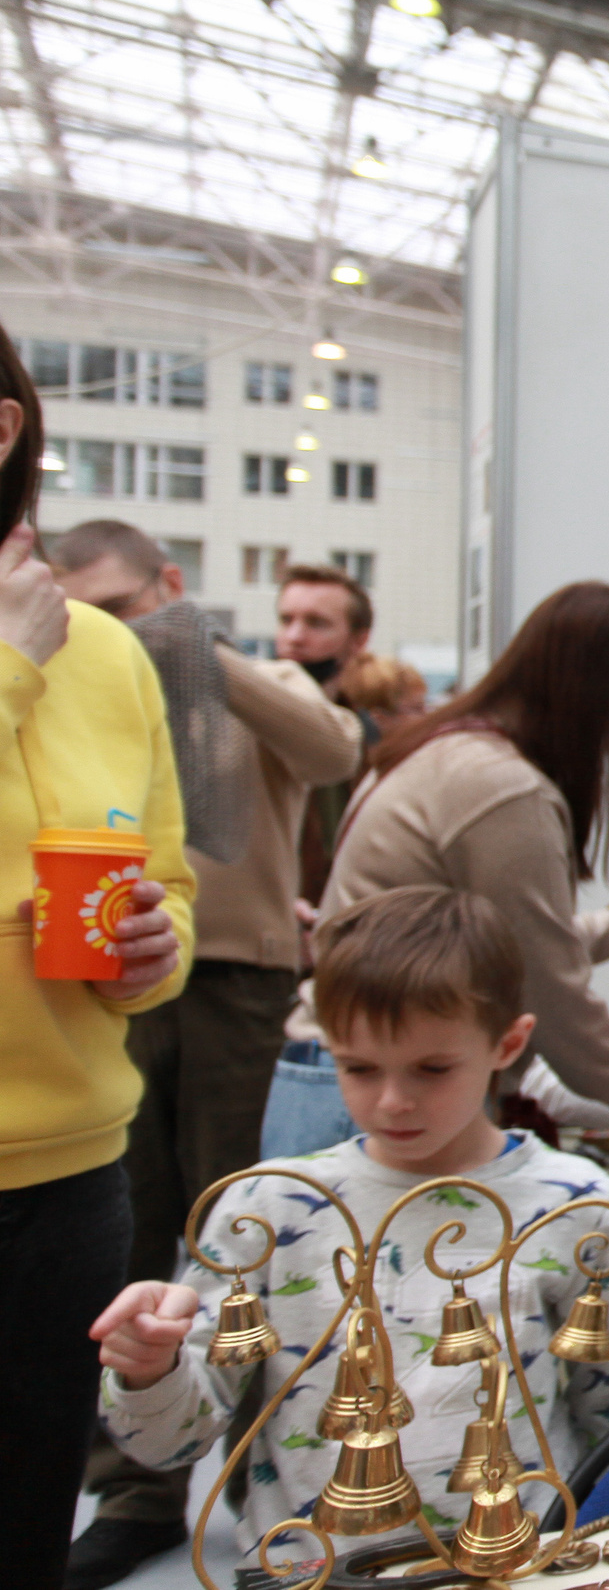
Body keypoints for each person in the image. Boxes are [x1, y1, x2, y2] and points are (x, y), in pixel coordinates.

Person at [90, 887, 609, 1571]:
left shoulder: (576, 1203)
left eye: (432, 1068)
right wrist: (152, 1369)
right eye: (357, 1066)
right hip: (307, 1572)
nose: (391, 1100)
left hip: (514, 1566)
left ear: (509, 1043)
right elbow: (167, 1444)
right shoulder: (267, 1206)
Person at [49, 521, 366, 1589]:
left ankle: (257, 1467)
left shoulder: (258, 678)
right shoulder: (75, 680)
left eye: (124, 605)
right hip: (113, 981)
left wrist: (195, 647)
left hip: (240, 979)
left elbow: (334, 753)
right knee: (131, 1222)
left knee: (243, 1227)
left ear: (170, 588)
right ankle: (133, 1485)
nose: (108, 630)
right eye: (83, 609)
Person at [0, 327, 194, 1590]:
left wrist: (152, 951)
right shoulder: (34, 653)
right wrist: (7, 671)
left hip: (68, 1179)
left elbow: (164, 877)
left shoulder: (111, 654)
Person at [297, 580, 609, 1135]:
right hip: (382, 1085)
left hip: (344, 1068)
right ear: (590, 694)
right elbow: (548, 986)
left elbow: (518, 948)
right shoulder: (501, 788)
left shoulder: (448, 750)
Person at [277, 562, 375, 904]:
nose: (294, 638)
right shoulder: (248, 728)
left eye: (316, 623)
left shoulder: (376, 740)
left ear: (358, 640)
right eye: (286, 620)